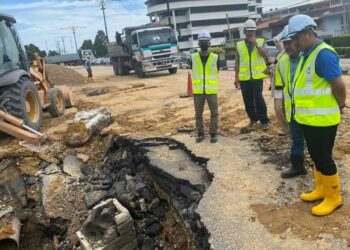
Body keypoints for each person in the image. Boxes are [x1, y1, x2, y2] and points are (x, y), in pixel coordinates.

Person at [288, 14, 346, 216]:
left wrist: (341, 104)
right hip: (310, 119)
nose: (293, 42)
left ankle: (333, 196)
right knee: (316, 156)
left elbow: (338, 85)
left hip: (322, 121)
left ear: (308, 33)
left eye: (296, 37)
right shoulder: (308, 54)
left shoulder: (323, 54)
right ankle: (321, 189)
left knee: (323, 158)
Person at [275, 25, 306, 179]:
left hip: (309, 109)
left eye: (290, 42)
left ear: (298, 41)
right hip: (293, 110)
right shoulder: (282, 62)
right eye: (285, 43)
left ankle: (323, 170)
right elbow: (283, 86)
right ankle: (298, 166)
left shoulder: (308, 59)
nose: (287, 46)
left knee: (315, 142)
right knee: (296, 139)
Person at [235, 19, 269, 130]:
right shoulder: (239, 45)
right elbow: (237, 62)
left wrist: (257, 44)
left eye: (252, 31)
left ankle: (264, 120)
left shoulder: (261, 41)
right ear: (244, 31)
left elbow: (264, 55)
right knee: (247, 100)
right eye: (248, 31)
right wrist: (236, 77)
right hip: (244, 78)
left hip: (257, 77)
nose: (250, 33)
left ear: (255, 32)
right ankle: (253, 119)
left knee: (258, 98)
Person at [190, 30, 220, 143]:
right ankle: (200, 132)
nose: (204, 44)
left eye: (206, 41)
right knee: (198, 114)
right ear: (198, 43)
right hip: (198, 91)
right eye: (202, 42)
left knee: (214, 113)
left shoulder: (215, 58)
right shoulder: (193, 58)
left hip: (211, 90)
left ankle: (213, 133)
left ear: (209, 43)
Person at [271, 33, 289, 136]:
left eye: (277, 42)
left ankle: (288, 128)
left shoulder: (286, 55)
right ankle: (285, 128)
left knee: (283, 108)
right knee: (278, 109)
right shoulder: (279, 55)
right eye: (275, 43)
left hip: (284, 86)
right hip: (278, 86)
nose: (276, 44)